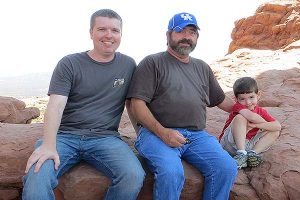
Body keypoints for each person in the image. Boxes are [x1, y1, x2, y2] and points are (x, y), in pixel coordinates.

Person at [22, 9, 145, 200]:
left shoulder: (128, 65)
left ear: (121, 34)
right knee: (37, 176)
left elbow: (132, 104)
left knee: (133, 175)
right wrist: (48, 145)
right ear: (91, 32)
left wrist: (142, 136)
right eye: (102, 29)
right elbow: (55, 106)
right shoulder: (70, 63)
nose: (108, 35)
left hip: (105, 138)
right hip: (65, 136)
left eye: (115, 30)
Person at [126, 12, 238, 200]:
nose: (186, 37)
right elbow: (137, 103)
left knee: (226, 168)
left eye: (192, 32)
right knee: (171, 172)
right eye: (180, 31)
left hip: (197, 136)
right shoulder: (153, 62)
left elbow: (219, 100)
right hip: (156, 134)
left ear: (196, 37)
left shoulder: (202, 67)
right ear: (168, 35)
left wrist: (246, 110)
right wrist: (163, 132)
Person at [219, 77, 281, 169]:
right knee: (241, 117)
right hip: (230, 142)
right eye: (242, 99)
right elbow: (251, 116)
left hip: (247, 145)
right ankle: (241, 154)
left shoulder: (260, 111)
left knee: (274, 132)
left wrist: (257, 125)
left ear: (258, 95)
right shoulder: (238, 107)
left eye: (251, 97)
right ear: (236, 99)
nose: (248, 102)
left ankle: (252, 154)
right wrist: (266, 125)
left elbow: (277, 127)